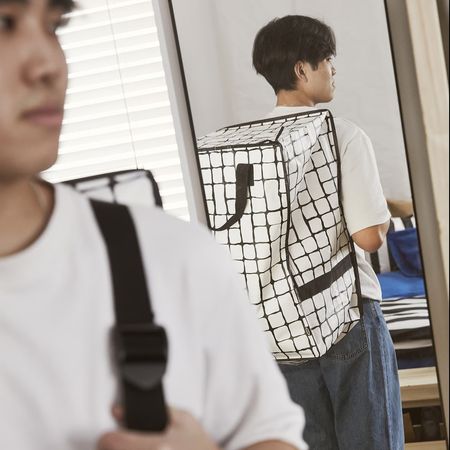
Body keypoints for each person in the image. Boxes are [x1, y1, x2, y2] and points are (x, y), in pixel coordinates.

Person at [0, 1, 308, 449]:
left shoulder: (171, 257)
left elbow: (271, 435)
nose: (50, 65)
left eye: (54, 24)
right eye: (4, 22)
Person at [252, 15, 403, 450]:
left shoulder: (247, 147)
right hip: (345, 317)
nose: (333, 68)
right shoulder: (342, 134)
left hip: (279, 328)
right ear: (303, 69)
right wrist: (381, 218)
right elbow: (369, 239)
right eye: (327, 60)